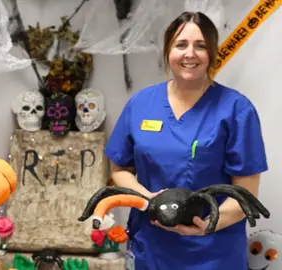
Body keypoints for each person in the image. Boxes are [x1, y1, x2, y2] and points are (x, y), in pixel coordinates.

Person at [104, 11, 268, 270]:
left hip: (214, 251)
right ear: (168, 50)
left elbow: (245, 194)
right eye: (181, 45)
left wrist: (208, 226)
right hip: (153, 246)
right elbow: (120, 170)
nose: (189, 54)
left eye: (200, 46)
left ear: (212, 53)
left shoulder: (236, 109)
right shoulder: (141, 104)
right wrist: (148, 200)